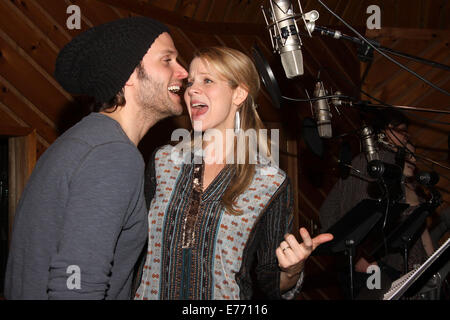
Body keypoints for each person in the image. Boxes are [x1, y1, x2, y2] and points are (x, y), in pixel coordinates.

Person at [4, 17, 188, 299]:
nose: (183, 71)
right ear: (127, 74)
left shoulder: (85, 141)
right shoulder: (111, 155)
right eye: (168, 60)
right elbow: (76, 286)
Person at [134, 47, 333, 300]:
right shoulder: (164, 161)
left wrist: (292, 270)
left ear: (239, 93)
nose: (192, 89)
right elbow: (133, 248)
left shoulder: (269, 182)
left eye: (207, 80)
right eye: (191, 82)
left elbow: (269, 281)